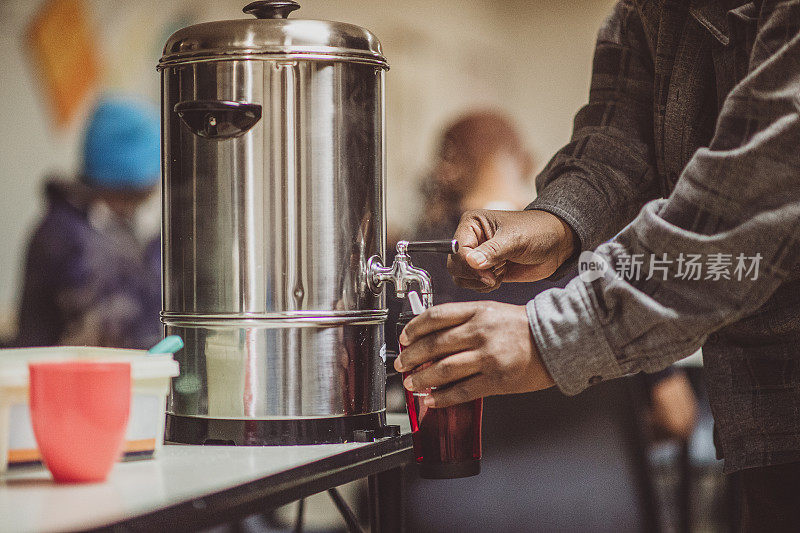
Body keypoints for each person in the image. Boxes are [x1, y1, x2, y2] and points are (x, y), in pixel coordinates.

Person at [395, 2, 800, 529]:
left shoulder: (410, 266)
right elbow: (617, 144)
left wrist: (547, 340)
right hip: (752, 435)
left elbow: (760, 195)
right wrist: (556, 219)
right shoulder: (642, 14)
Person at [15, 95, 162, 350]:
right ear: (124, 185)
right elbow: (112, 332)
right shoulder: (67, 236)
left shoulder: (98, 225)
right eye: (140, 196)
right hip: (59, 381)